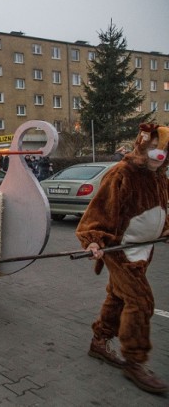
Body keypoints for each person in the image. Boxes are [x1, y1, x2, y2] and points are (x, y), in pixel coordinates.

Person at [76, 123, 169, 394]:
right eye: (154, 148)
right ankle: (134, 361)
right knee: (141, 301)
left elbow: (157, 211)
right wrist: (93, 239)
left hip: (143, 251)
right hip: (120, 250)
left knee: (119, 296)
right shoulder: (122, 173)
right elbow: (98, 211)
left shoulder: (159, 178)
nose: (159, 155)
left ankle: (99, 341)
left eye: (163, 150)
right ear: (142, 146)